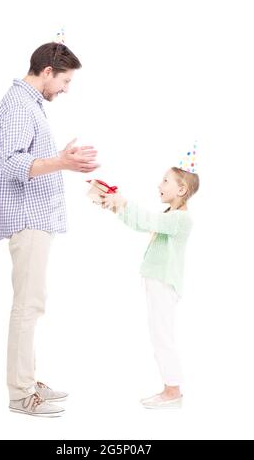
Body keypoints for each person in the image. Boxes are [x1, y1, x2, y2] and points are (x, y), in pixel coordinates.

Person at [0, 41, 99, 417]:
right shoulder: (20, 105)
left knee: (31, 304)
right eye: (65, 81)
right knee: (27, 306)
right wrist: (61, 162)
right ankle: (20, 393)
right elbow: (11, 164)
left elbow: (25, 159)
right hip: (28, 218)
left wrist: (60, 161)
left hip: (35, 218)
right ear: (48, 71)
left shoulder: (28, 104)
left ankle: (26, 380)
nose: (67, 89)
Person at [93, 145, 199, 408]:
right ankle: (170, 389)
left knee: (162, 336)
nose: (159, 184)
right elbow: (139, 222)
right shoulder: (170, 216)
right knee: (158, 335)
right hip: (157, 282)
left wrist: (124, 203)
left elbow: (147, 221)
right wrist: (117, 206)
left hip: (164, 283)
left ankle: (172, 391)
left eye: (166, 181)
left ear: (181, 190)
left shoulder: (181, 219)